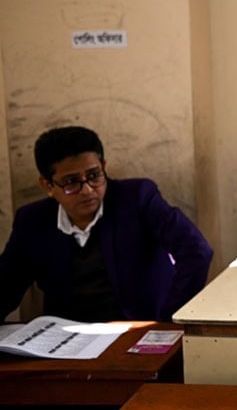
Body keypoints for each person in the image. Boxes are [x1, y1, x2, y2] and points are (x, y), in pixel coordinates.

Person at [0, 125, 213, 323]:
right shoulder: (32, 221)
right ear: (47, 185)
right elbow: (6, 286)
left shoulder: (137, 199)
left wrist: (169, 319)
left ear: (104, 167)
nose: (88, 190)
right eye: (71, 182)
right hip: (67, 340)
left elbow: (196, 251)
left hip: (137, 331)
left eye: (94, 176)